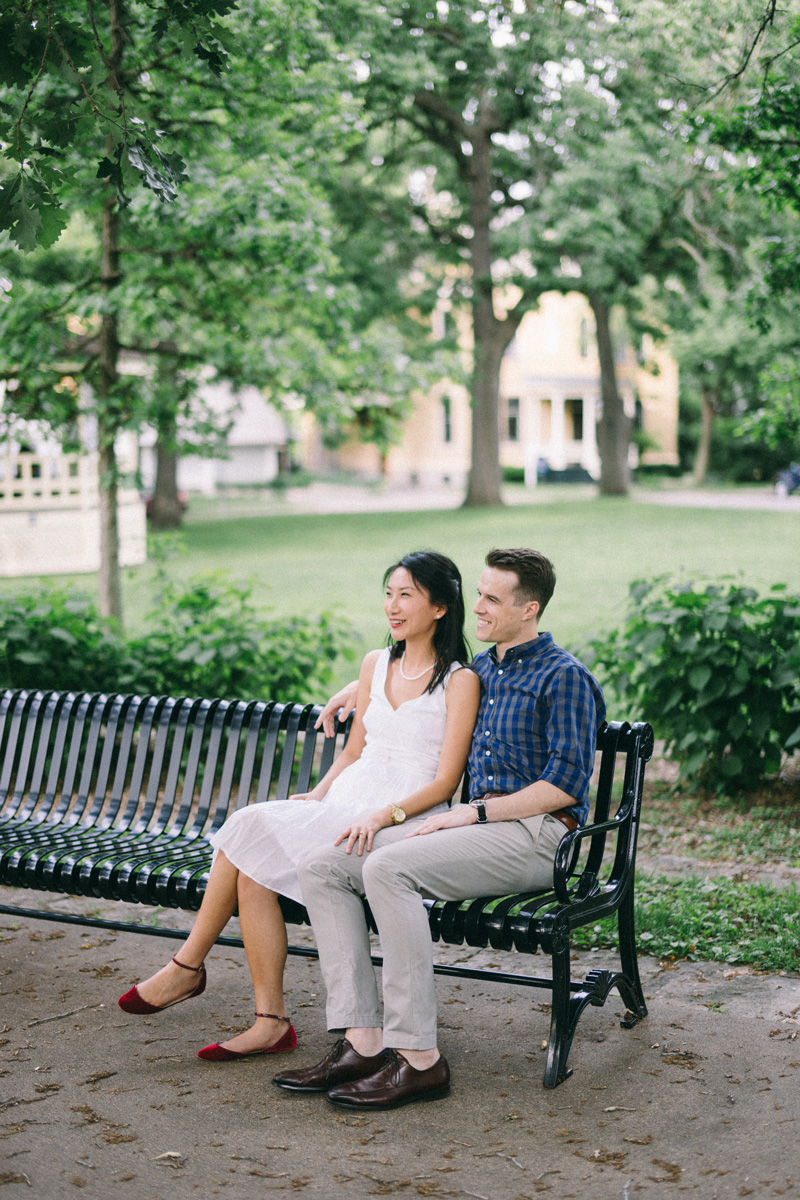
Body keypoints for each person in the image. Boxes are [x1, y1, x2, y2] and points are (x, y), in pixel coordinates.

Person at [273, 548, 605, 1109]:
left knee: (387, 867)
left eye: (492, 599)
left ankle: (421, 1058)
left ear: (530, 609)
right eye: (477, 593)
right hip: (477, 833)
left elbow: (566, 785)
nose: (477, 606)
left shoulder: (565, 677)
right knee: (323, 866)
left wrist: (473, 812)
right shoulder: (485, 670)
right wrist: (361, 688)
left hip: (539, 835)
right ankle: (362, 1041)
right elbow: (420, 675)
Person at [118, 551, 480, 1062]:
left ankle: (192, 968)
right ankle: (266, 1020)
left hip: (399, 815)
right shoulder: (376, 664)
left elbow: (446, 780)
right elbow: (354, 750)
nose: (392, 607)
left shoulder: (460, 680)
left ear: (440, 607)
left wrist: (385, 814)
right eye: (388, 593)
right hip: (349, 797)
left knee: (248, 832)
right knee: (251, 865)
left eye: (407, 596)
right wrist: (319, 793)